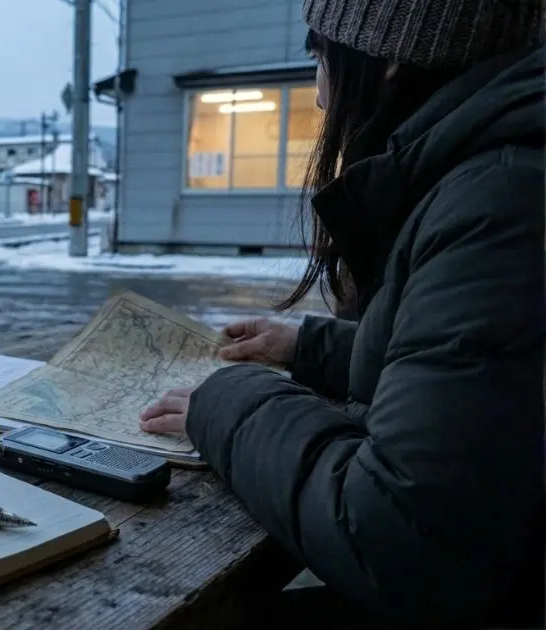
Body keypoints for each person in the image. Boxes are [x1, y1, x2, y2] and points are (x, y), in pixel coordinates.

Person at [139, 0, 544, 627]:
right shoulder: (502, 170)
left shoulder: (499, 203)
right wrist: (310, 348)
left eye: (321, 58)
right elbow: (482, 372)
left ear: (388, 60)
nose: (322, 97)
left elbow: (402, 538)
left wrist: (228, 400)